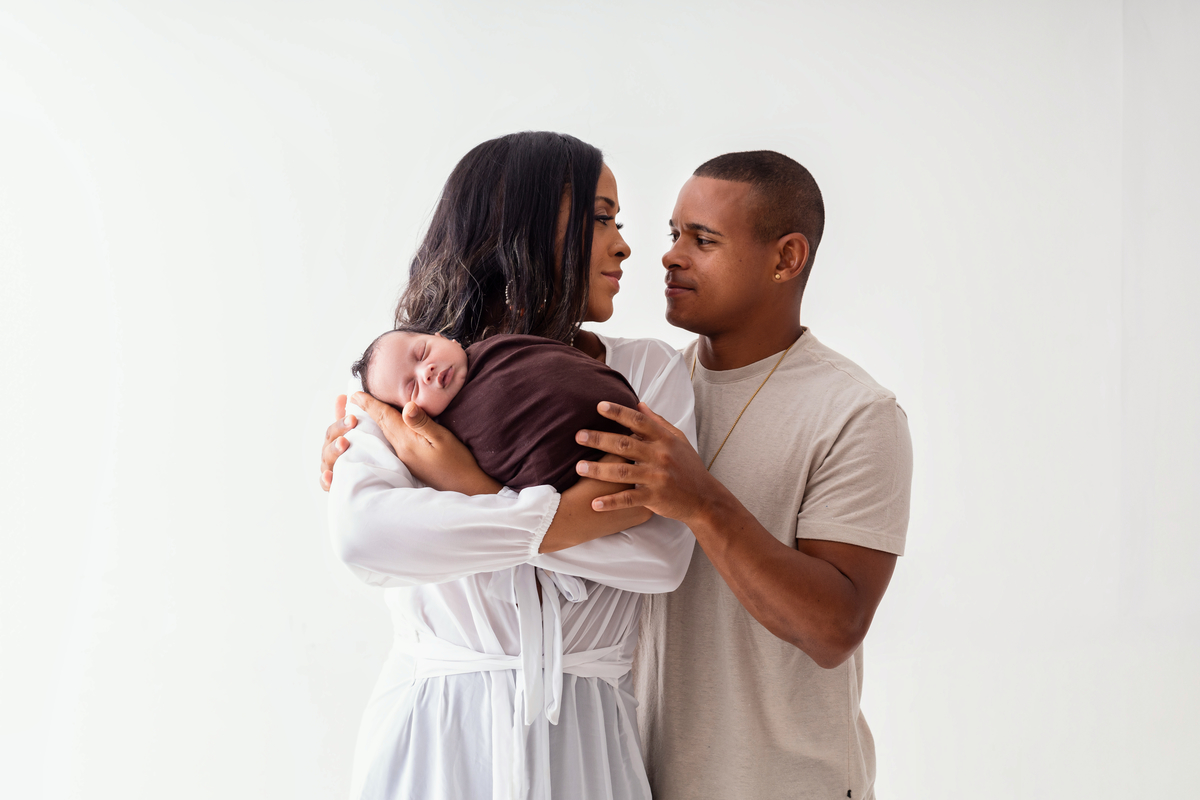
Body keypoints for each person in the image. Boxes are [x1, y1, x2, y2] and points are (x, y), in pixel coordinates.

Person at [321, 132, 696, 800]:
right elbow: (367, 537)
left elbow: (663, 558)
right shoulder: (407, 379)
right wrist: (570, 518)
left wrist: (466, 486)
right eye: (601, 217)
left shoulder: (645, 373)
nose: (624, 245)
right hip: (435, 733)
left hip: (590, 734)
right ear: (518, 227)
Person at [572, 150, 913, 800]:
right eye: (675, 234)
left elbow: (834, 628)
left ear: (786, 258)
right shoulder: (644, 390)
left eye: (703, 239)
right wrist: (379, 437)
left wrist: (700, 501)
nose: (670, 256)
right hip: (633, 780)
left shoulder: (856, 413)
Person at [348, 328, 639, 491]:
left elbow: (563, 361)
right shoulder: (446, 442)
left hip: (625, 415)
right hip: (581, 476)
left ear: (443, 336)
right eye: (412, 388)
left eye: (423, 353)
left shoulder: (499, 347)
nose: (427, 371)